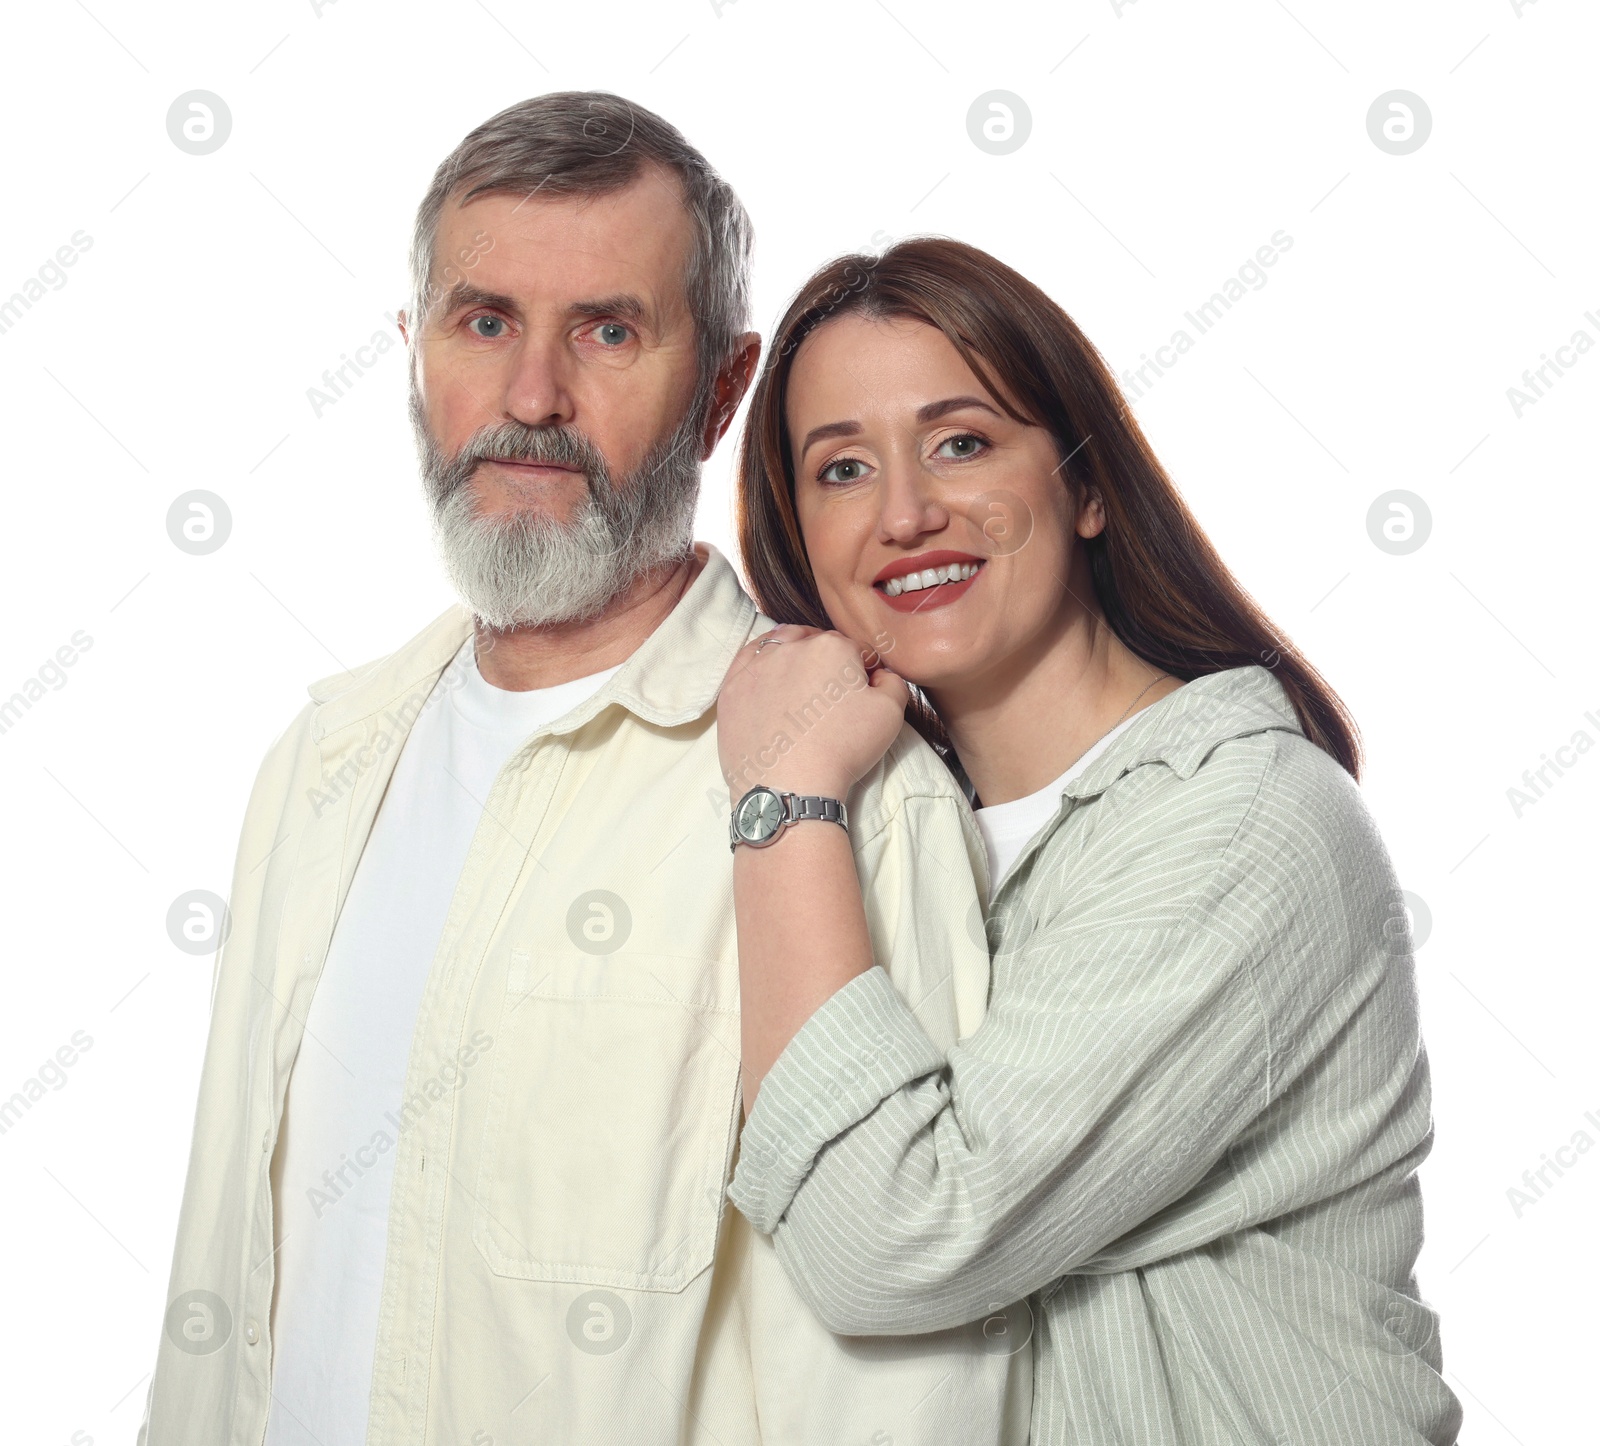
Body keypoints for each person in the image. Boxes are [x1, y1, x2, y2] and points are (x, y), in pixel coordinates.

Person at [137, 96, 1029, 1446]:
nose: (532, 398)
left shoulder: (840, 798)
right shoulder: (318, 764)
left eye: (608, 331)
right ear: (414, 350)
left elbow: (907, 1387)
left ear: (723, 390)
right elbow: (219, 1290)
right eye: (482, 322)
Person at [716, 237, 1464, 1445]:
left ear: (1084, 485)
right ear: (799, 538)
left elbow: (893, 1242)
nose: (905, 513)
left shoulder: (1238, 825)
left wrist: (780, 795)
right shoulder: (901, 836)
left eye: (961, 442)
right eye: (842, 469)